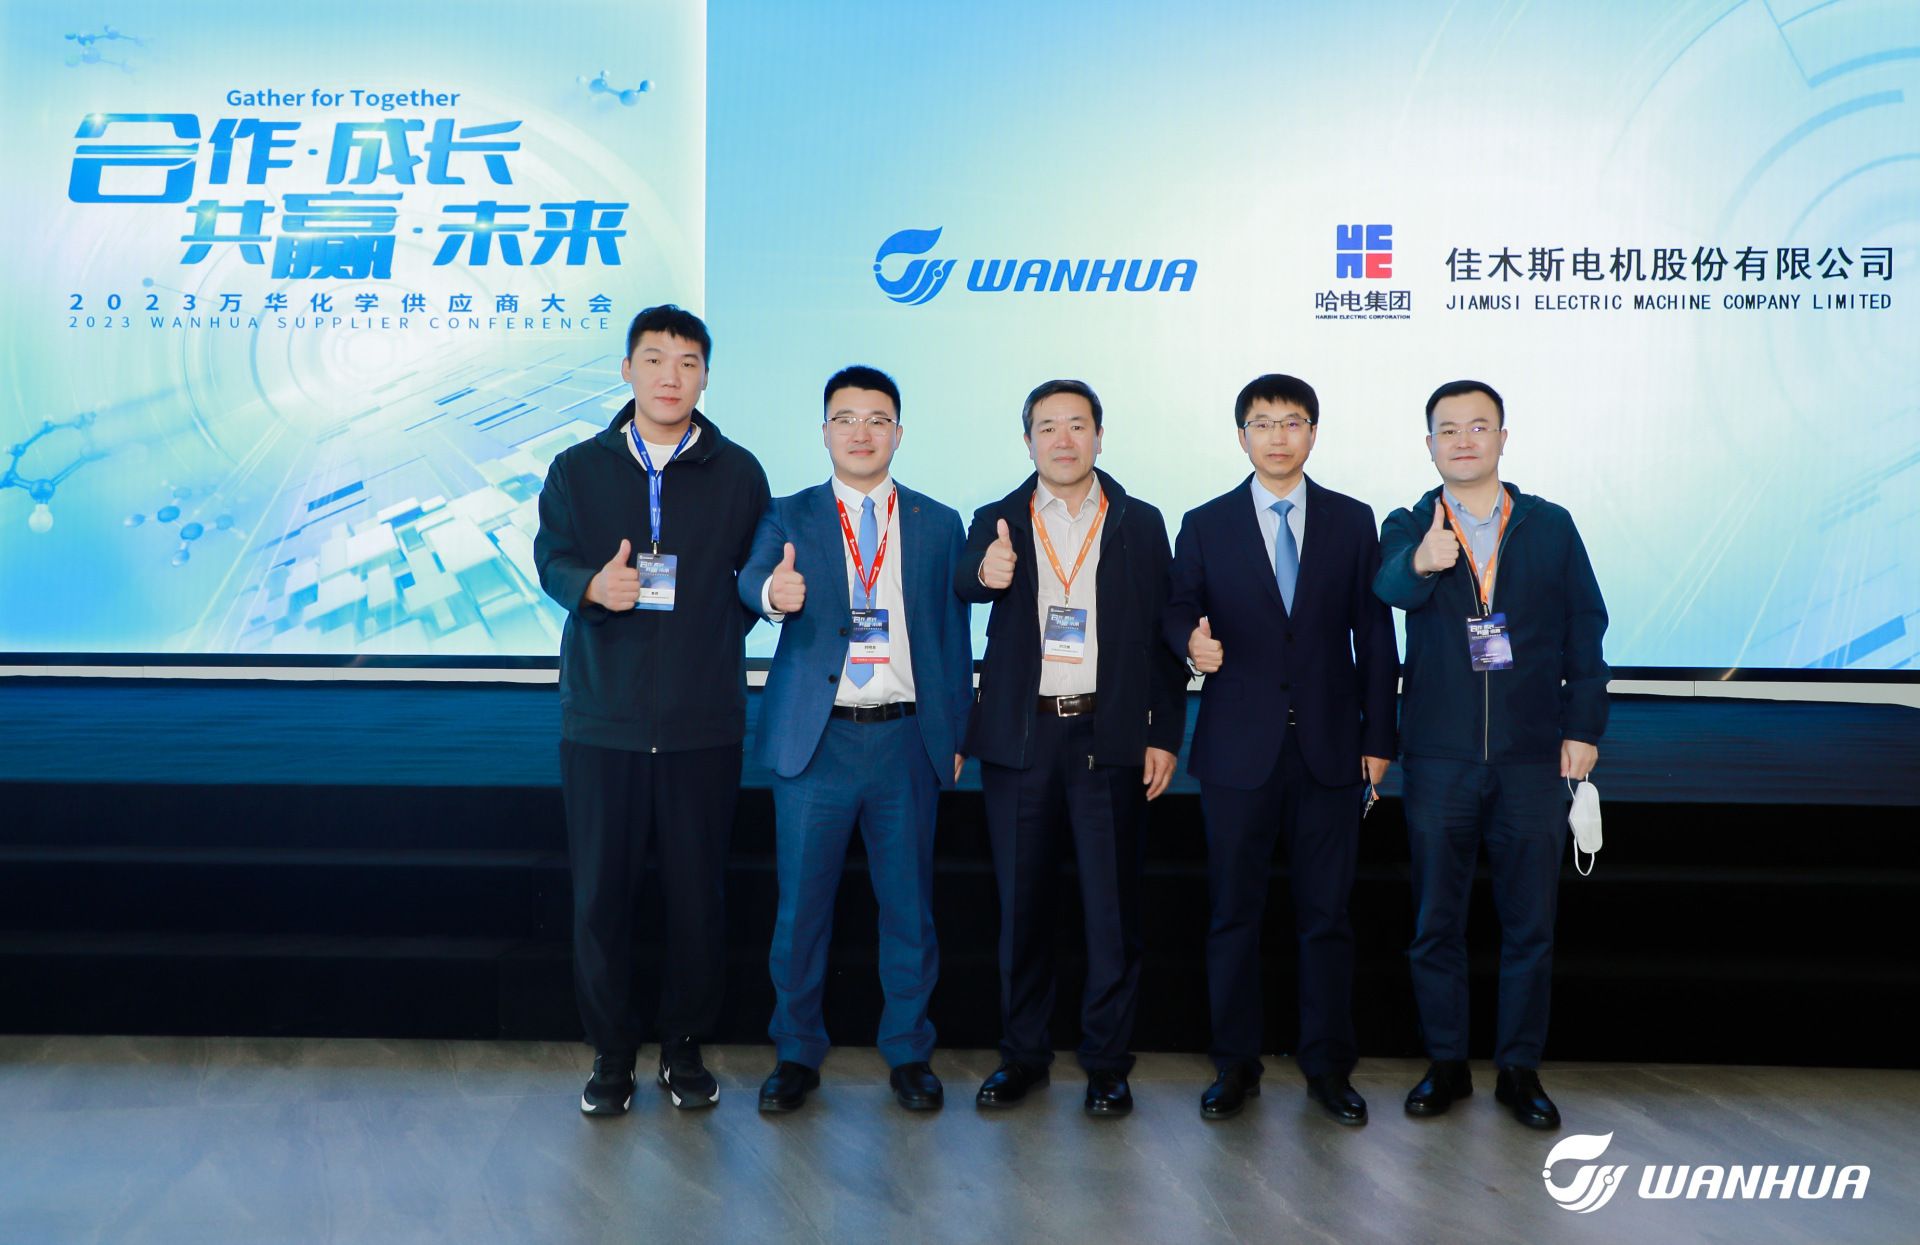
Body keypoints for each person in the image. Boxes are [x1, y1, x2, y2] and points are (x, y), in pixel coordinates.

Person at [534, 304, 770, 1116]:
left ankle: (683, 1045)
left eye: (688, 362)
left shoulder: (739, 473)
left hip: (704, 723)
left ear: (706, 377)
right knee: (602, 896)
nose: (672, 376)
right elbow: (551, 558)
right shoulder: (577, 467)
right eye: (656, 359)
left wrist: (721, 629)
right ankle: (610, 1052)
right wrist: (591, 586)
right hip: (603, 719)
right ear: (627, 369)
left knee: (697, 897)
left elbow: (753, 578)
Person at [1163, 374, 1399, 1125]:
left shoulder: (1352, 520)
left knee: (1326, 915)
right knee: (1233, 912)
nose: (1277, 436)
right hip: (1238, 749)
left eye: (1292, 422)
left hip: (1331, 747)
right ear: (1242, 437)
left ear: (1313, 433)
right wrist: (1189, 640)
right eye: (1262, 423)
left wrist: (1380, 736)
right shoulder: (1205, 522)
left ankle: (1328, 1066)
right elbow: (1176, 606)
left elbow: (1375, 634)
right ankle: (1234, 1065)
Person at [1374, 379, 1607, 1131]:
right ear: (1430, 445)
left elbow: (1586, 628)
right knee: (1435, 922)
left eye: (1480, 426)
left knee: (1529, 923)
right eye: (1449, 429)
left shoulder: (1549, 524)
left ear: (1503, 438)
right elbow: (1387, 587)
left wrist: (1584, 726)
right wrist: (1422, 560)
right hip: (1439, 757)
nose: (1464, 440)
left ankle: (1518, 1068)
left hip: (1531, 757)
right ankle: (1445, 1063)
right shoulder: (1409, 522)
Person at [737, 365, 972, 1113]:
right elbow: (751, 579)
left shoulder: (939, 521)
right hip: (818, 743)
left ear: (898, 432)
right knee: (801, 910)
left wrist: (955, 731)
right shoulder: (789, 514)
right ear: (825, 432)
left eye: (877, 419)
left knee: (908, 908)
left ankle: (909, 1051)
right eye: (845, 418)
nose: (861, 432)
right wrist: (773, 594)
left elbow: (951, 634)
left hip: (906, 740)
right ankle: (795, 1051)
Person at [956, 379, 1187, 1117]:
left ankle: (1107, 1064)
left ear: (1099, 435)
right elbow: (965, 581)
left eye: (1077, 425)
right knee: (1021, 909)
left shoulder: (1140, 522)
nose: (1063, 439)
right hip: (1021, 739)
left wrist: (1162, 733)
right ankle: (1021, 1056)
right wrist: (986, 572)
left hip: (1107, 737)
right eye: (1048, 426)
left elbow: (1164, 636)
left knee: (1110, 912)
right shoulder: (997, 518)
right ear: (1028, 441)